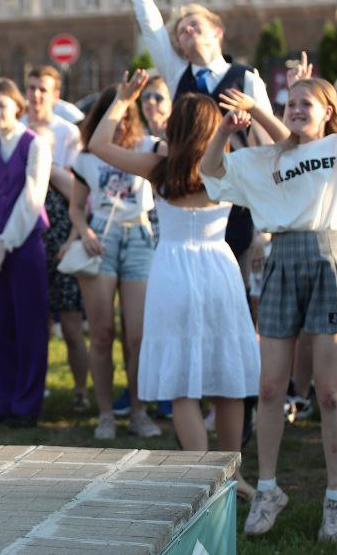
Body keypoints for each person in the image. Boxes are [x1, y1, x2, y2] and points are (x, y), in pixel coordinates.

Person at [202, 32, 337, 543]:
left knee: (332, 394)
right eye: (288, 103)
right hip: (283, 261)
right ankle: (268, 489)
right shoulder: (265, 160)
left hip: (329, 257)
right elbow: (208, 170)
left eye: (304, 103)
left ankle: (335, 498)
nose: (293, 109)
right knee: (271, 388)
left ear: (327, 112)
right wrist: (224, 129)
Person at [90, 73, 259, 495]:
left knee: (183, 384)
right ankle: (232, 474)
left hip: (172, 270)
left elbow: (97, 145)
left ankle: (203, 479)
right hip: (219, 268)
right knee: (228, 379)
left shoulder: (158, 168)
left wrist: (122, 100)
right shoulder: (226, 169)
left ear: (174, 128)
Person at [113, 0, 271, 263]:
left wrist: (264, 218)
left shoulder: (246, 77)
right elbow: (149, 21)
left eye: (194, 25)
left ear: (217, 31)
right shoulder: (177, 74)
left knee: (234, 288)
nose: (186, 32)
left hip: (234, 198)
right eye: (181, 32)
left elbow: (266, 143)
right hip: (189, 192)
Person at [75, 86, 161, 440]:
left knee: (138, 335)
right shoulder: (86, 157)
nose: (122, 120)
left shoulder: (148, 146)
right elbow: (76, 208)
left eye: (126, 112)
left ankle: (138, 411)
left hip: (140, 237)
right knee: (101, 334)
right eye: (113, 112)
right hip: (101, 240)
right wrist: (83, 231)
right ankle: (107, 413)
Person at [0, 78, 52, 428]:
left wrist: (5, 245)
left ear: (16, 107)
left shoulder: (35, 144)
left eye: (1, 105)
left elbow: (32, 198)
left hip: (24, 245)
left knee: (30, 326)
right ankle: (3, 401)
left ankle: (27, 404)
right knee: (0, 324)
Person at [25, 66, 89, 414]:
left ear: (55, 93)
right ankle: (35, 387)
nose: (36, 96)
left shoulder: (67, 134)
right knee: (34, 322)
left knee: (71, 323)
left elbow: (80, 191)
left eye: (43, 90)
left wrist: (45, 160)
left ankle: (81, 389)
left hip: (63, 229)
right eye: (31, 88)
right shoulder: (16, 128)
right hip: (27, 229)